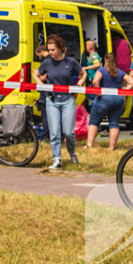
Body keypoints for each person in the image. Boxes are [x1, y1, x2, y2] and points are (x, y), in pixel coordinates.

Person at [32, 34, 87, 170]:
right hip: (52, 100)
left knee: (68, 132)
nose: (50, 52)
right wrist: (42, 86)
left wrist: (78, 85)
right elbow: (36, 75)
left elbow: (83, 73)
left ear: (60, 48)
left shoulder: (70, 62)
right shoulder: (47, 63)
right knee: (54, 132)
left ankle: (72, 152)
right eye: (49, 50)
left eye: (53, 50)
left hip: (68, 100)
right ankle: (57, 159)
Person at [86, 53, 133, 150]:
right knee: (114, 123)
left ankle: (89, 144)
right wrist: (125, 91)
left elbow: (95, 81)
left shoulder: (101, 70)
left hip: (104, 98)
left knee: (94, 120)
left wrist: (98, 92)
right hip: (118, 99)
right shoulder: (119, 72)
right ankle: (111, 147)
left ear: (105, 59)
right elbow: (132, 81)